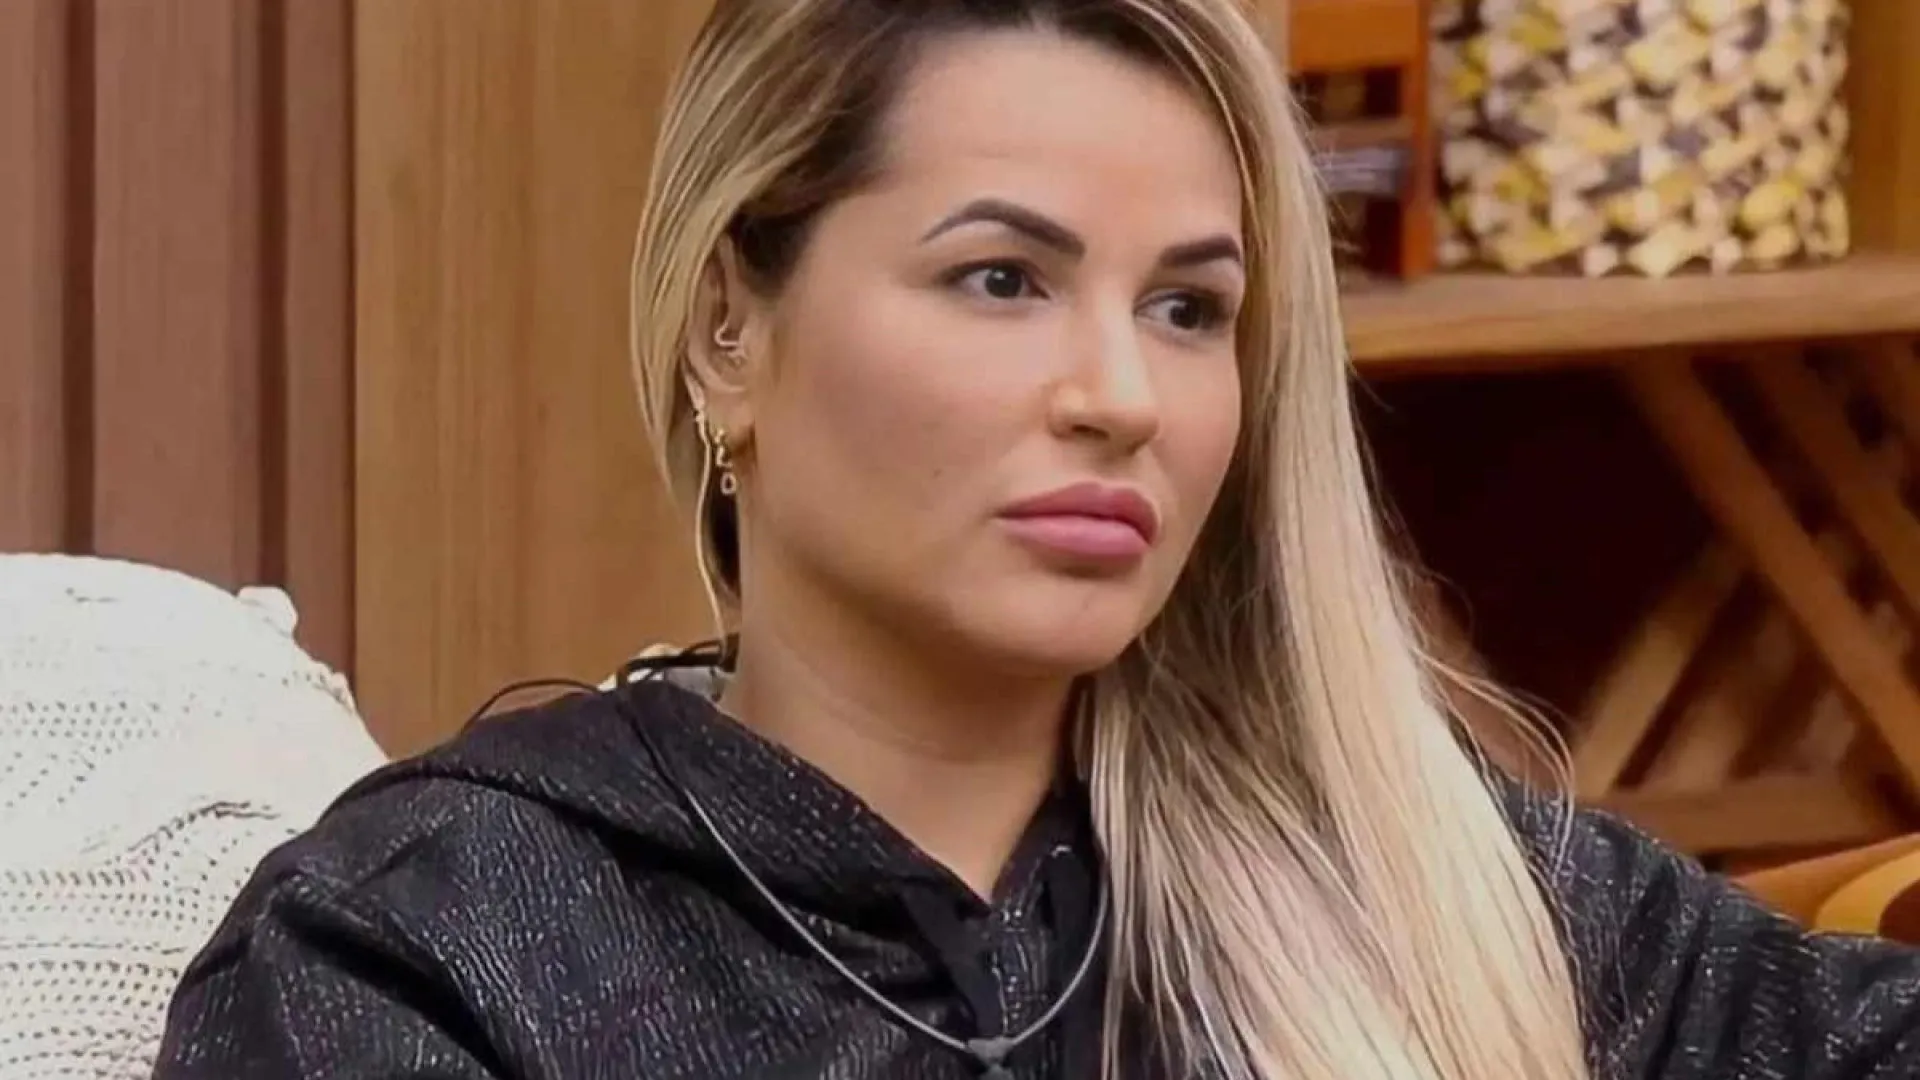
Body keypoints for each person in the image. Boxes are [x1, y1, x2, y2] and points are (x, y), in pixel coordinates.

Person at [153, 1, 1920, 1077]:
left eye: (1187, 308)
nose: (1120, 396)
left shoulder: (1418, 885)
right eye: (1001, 279)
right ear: (727, 329)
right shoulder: (433, 944)